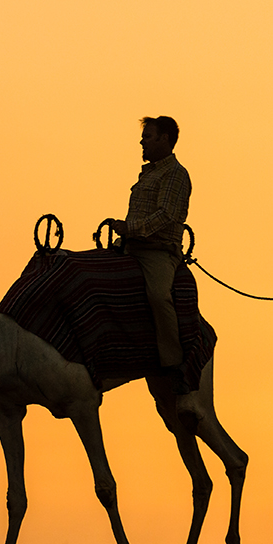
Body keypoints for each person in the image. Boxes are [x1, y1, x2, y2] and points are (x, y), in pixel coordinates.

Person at [111, 115, 192, 391]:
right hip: (131, 248)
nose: (142, 141)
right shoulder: (150, 173)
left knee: (159, 295)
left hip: (157, 253)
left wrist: (129, 228)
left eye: (148, 136)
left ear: (164, 139)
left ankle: (175, 364)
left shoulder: (175, 174)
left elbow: (166, 216)